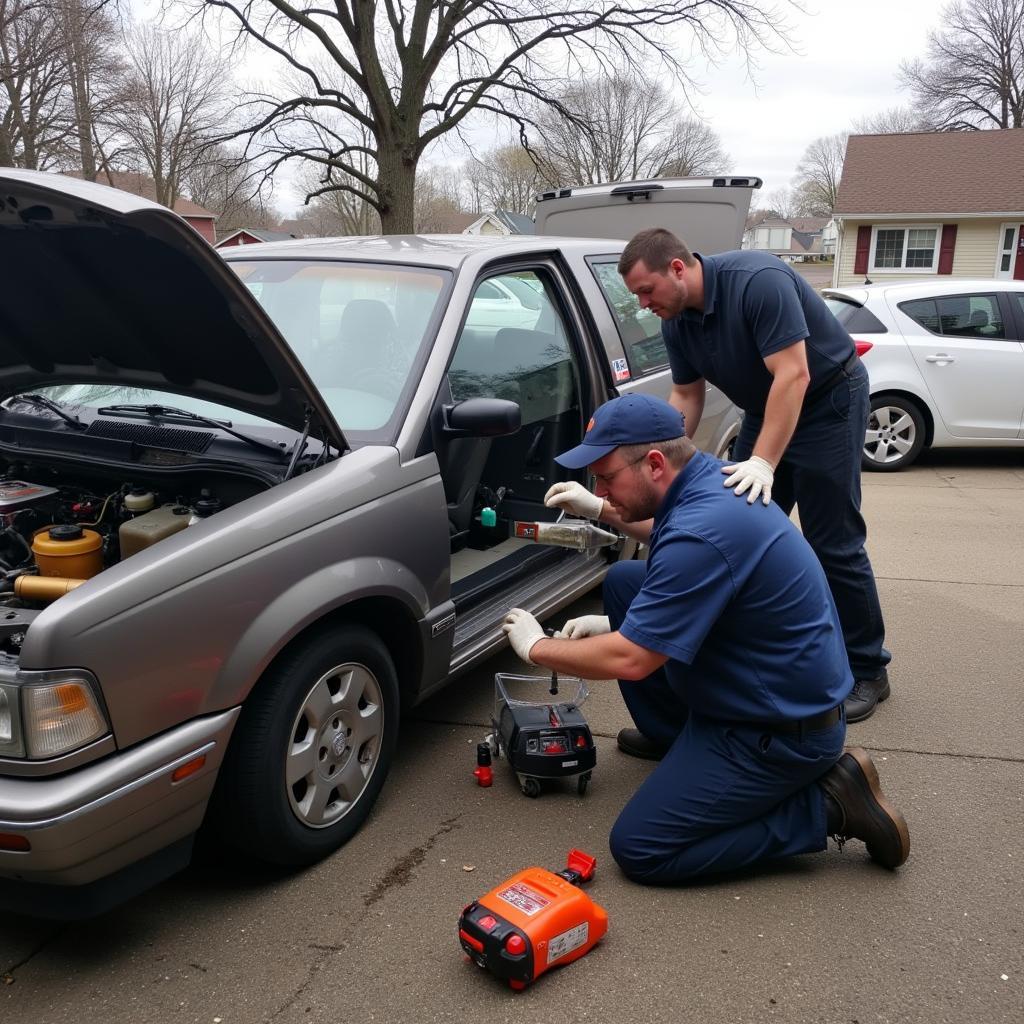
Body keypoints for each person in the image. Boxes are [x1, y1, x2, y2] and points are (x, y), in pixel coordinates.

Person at [502, 393, 909, 885]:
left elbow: (632, 659)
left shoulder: (703, 530)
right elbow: (680, 545)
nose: (599, 488)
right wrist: (604, 512)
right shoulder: (707, 479)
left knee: (641, 848)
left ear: (654, 463)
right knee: (627, 583)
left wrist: (536, 647)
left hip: (782, 734)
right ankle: (678, 741)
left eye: (606, 478)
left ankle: (828, 807)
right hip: (771, 689)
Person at [617, 228, 889, 723]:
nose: (642, 304)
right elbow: (686, 398)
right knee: (737, 524)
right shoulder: (677, 322)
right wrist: (658, 461)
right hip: (767, 409)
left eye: (646, 290)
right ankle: (751, 648)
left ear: (678, 268)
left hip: (829, 400)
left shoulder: (757, 281)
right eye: (636, 296)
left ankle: (868, 668)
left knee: (834, 541)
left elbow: (795, 375)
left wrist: (763, 463)